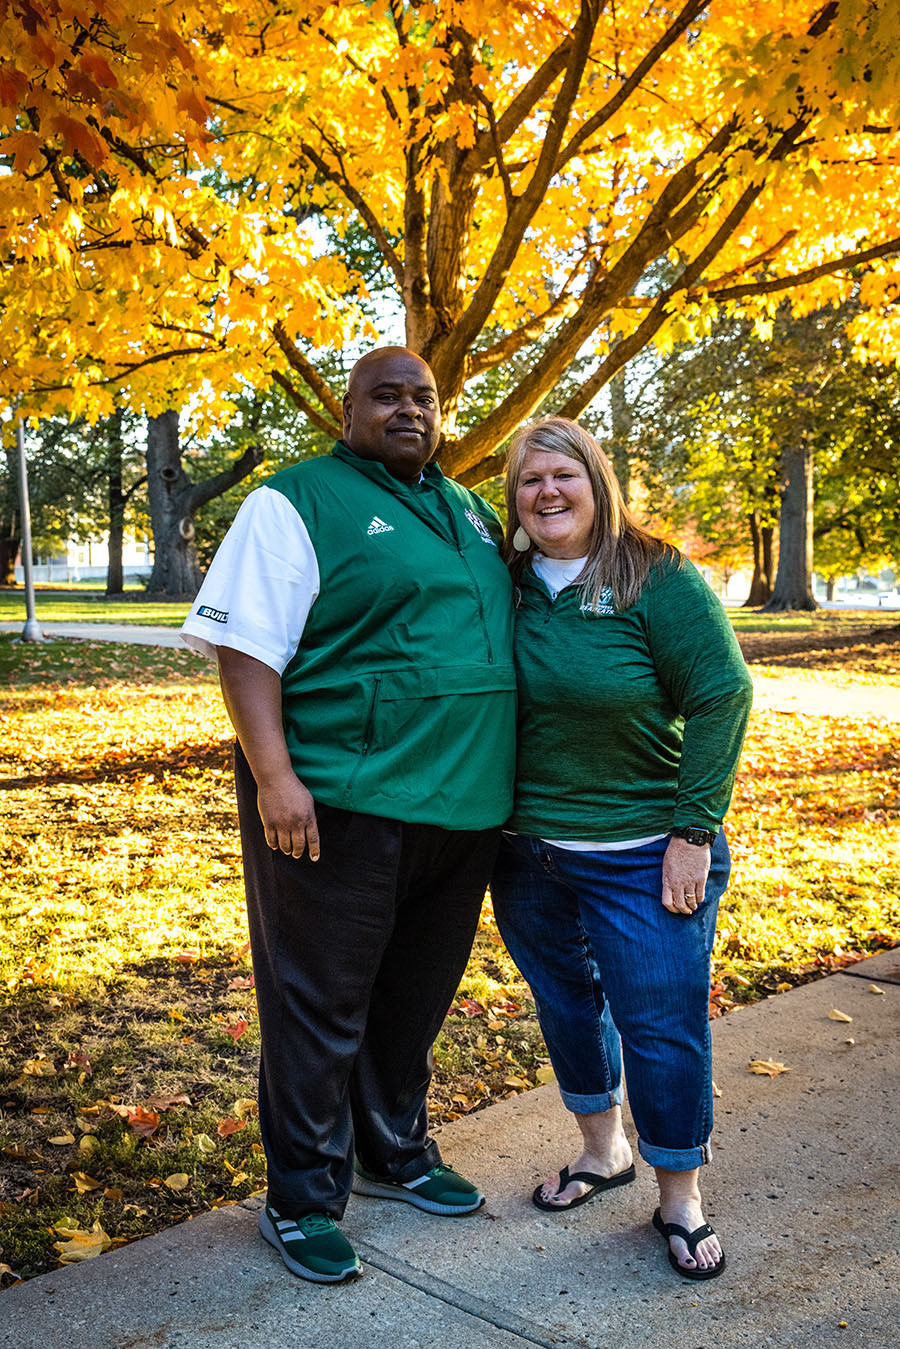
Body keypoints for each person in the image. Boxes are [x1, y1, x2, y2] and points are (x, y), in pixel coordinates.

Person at [180, 347, 516, 1283]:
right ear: (348, 409)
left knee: (414, 996)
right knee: (318, 1004)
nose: (409, 410)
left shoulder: (471, 514)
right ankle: (301, 1197)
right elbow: (246, 650)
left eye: (425, 397)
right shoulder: (296, 501)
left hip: (464, 804)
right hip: (337, 804)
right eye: (387, 396)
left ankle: (395, 1151)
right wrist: (273, 777)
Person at [491, 416, 753, 1281]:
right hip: (529, 854)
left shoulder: (654, 575)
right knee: (568, 1005)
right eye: (530, 481)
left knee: (660, 1025)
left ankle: (680, 1195)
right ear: (514, 498)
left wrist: (692, 831)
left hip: (645, 853)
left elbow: (722, 693)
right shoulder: (507, 582)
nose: (547, 493)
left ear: (597, 481)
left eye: (563, 474)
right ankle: (603, 1152)